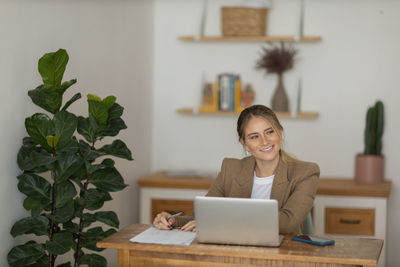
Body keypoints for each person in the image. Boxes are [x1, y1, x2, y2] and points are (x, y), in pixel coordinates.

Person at [153, 104, 320, 234]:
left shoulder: (305, 173)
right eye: (254, 136)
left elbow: (287, 223)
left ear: (280, 133)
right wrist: (172, 221)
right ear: (244, 143)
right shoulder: (231, 169)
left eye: (269, 132)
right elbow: (202, 217)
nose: (264, 141)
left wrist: (219, 221)